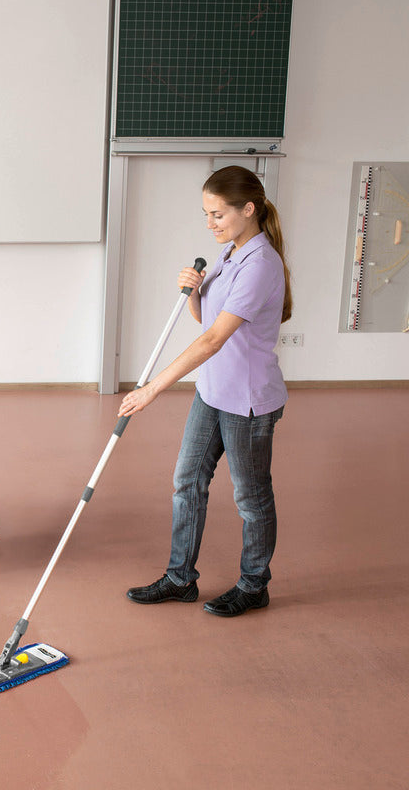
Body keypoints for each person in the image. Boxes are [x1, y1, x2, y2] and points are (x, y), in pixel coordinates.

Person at [121, 165, 291, 617]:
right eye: (206, 215)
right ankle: (180, 578)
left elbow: (214, 340)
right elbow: (207, 320)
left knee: (251, 498)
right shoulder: (229, 253)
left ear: (248, 209)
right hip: (213, 390)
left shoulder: (261, 264)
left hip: (247, 402)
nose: (210, 223)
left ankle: (254, 585)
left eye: (218, 214)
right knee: (187, 482)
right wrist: (193, 292)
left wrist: (152, 389)